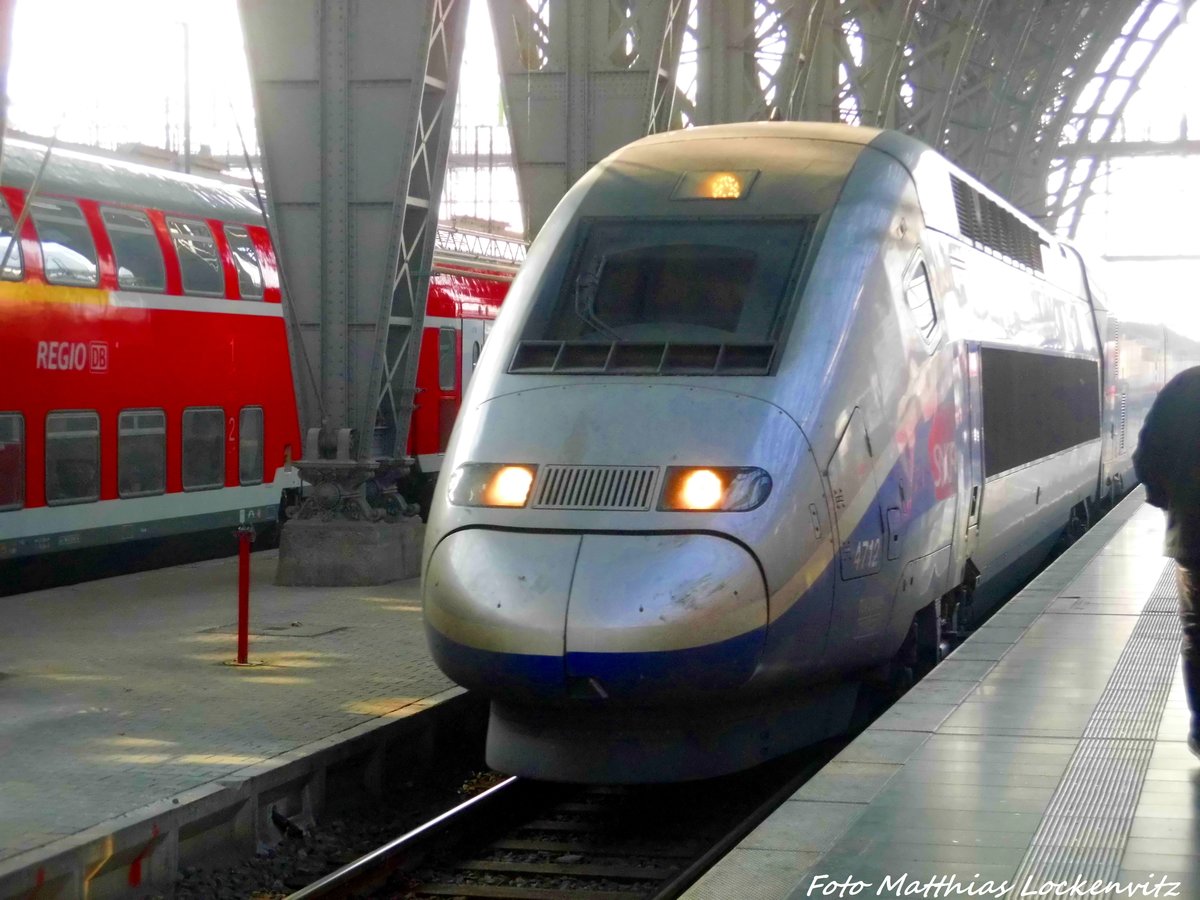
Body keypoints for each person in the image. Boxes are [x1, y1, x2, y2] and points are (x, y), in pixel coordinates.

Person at [1134, 365, 1200, 756]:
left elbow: (1147, 458)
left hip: (1194, 534)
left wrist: (1175, 505)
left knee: (1197, 634)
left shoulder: (1187, 386)